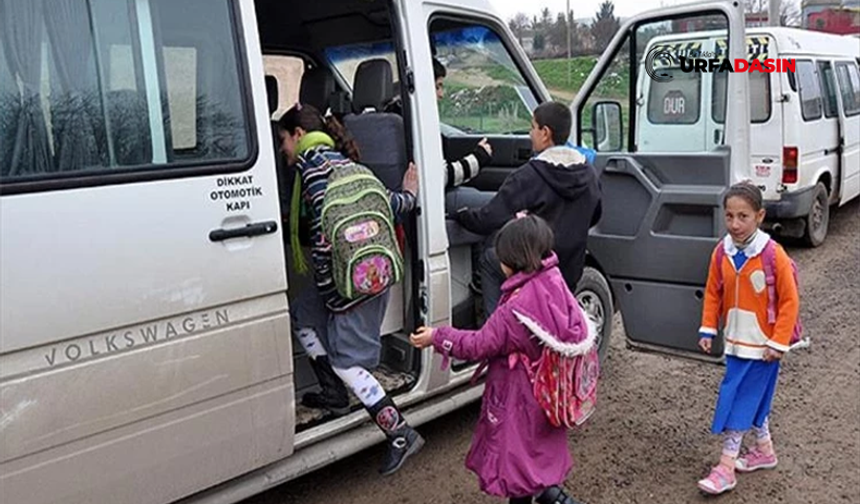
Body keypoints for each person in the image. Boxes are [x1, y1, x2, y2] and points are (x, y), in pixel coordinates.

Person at [278, 103, 424, 476]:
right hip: (370, 274)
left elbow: (322, 243)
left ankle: (399, 432)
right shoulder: (352, 166)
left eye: (283, 140)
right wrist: (410, 194)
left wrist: (334, 298)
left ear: (299, 135)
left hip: (348, 286)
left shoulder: (311, 172)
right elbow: (391, 204)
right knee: (302, 315)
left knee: (347, 362)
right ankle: (333, 393)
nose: (282, 149)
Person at [410, 215, 588, 504]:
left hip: (520, 397)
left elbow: (477, 345)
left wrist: (437, 336)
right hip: (547, 392)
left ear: (514, 259)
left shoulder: (515, 311)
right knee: (535, 459)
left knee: (519, 467)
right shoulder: (552, 279)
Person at [696, 182, 800, 495]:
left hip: (764, 347)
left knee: (739, 398)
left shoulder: (773, 254)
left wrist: (778, 342)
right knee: (752, 397)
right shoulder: (722, 252)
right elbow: (713, 292)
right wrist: (708, 327)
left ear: (760, 216)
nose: (735, 224)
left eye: (743, 216)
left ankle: (726, 466)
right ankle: (764, 450)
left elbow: (790, 301)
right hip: (736, 342)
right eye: (729, 216)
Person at [451, 101, 601, 315]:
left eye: (532, 127)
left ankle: (496, 326)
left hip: (533, 267)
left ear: (545, 133)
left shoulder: (529, 176)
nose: (530, 134)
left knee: (490, 261)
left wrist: (461, 216)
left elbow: (489, 220)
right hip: (569, 271)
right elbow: (595, 215)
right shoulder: (589, 174)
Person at [430, 57, 497, 215]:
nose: (441, 94)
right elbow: (439, 178)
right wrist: (478, 158)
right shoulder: (416, 125)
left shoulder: (402, 120)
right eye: (437, 87)